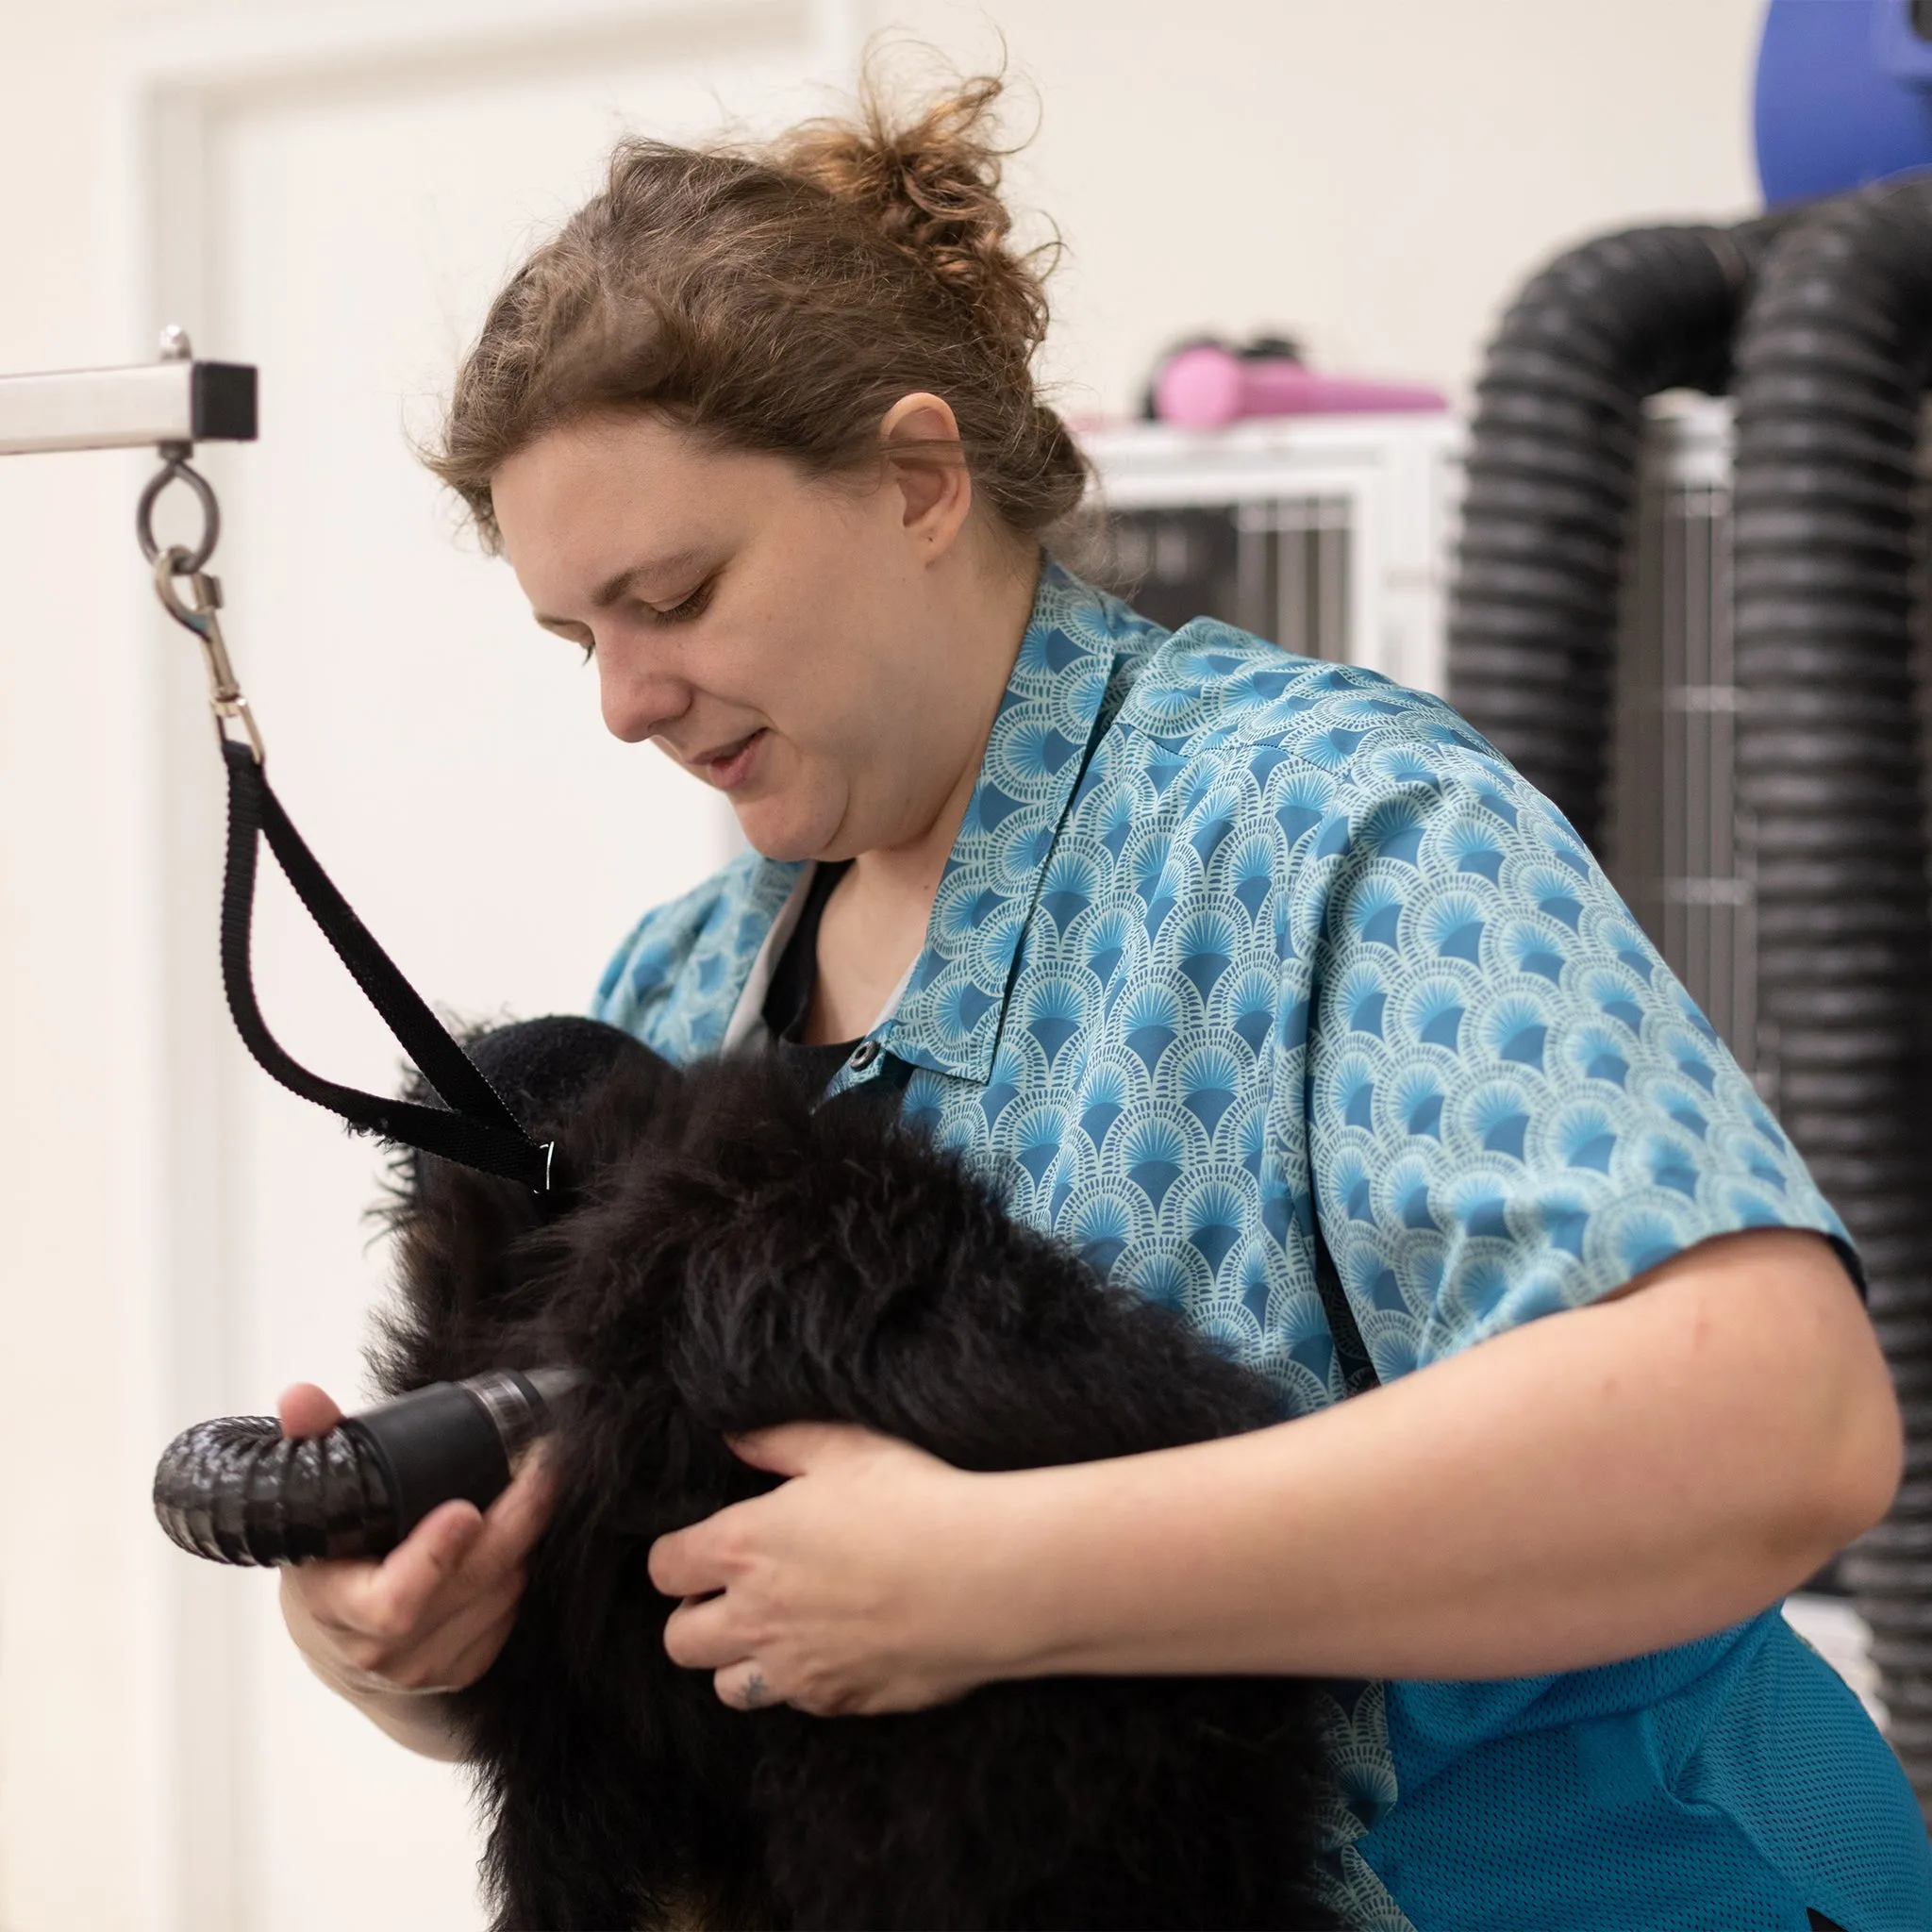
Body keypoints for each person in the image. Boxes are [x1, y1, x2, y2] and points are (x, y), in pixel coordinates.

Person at [276, 74, 1932, 1931]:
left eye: (677, 594)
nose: (625, 703)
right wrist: (424, 1645)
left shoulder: (1321, 824)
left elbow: (1780, 1423)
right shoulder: (678, 993)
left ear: (918, 478)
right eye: (580, 637)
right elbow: (723, 1655)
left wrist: (1002, 1570)